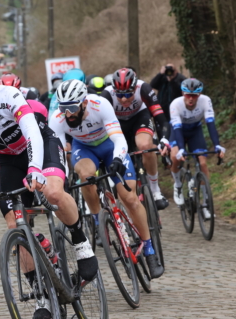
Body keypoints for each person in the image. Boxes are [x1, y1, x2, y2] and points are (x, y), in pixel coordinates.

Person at [0, 62, 97, 319]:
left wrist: (36, 169)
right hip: (10, 160)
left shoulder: (6, 97)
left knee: (52, 192)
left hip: (40, 143)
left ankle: (81, 240)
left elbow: (31, 133)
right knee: (16, 225)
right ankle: (41, 294)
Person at [49, 79, 164, 279]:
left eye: (73, 108)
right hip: (84, 149)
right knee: (84, 176)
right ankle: (97, 219)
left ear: (84, 103)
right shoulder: (57, 118)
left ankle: (149, 247)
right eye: (63, 108)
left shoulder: (100, 105)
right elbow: (57, 152)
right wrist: (62, 178)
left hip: (110, 146)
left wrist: (119, 159)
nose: (68, 114)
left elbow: (119, 138)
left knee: (129, 198)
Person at [101, 68, 171, 210]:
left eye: (128, 94)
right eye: (120, 95)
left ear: (135, 88)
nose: (124, 99)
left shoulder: (143, 88)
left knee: (145, 145)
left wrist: (164, 139)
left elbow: (162, 120)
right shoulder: (107, 94)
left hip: (139, 117)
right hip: (117, 123)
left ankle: (155, 190)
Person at [169, 78, 225, 219]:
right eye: (188, 95)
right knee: (175, 156)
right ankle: (178, 186)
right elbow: (177, 128)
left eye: (194, 95)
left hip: (195, 131)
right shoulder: (175, 104)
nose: (191, 98)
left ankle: (206, 204)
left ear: (199, 95)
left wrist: (217, 145)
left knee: (203, 163)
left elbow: (210, 124)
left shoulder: (205, 101)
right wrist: (181, 149)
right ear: (183, 93)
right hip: (178, 131)